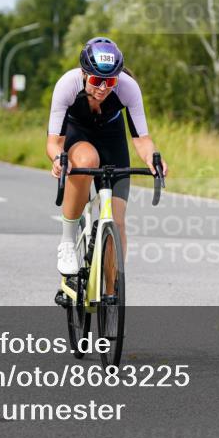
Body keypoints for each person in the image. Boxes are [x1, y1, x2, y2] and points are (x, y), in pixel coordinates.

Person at [46, 37, 168, 276]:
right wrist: (59, 159)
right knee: (86, 160)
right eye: (96, 80)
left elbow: (142, 139)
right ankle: (68, 242)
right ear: (83, 73)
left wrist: (153, 159)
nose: (103, 88)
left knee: (118, 220)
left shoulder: (128, 87)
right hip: (77, 133)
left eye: (110, 81)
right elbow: (54, 142)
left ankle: (111, 293)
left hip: (112, 138)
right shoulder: (67, 85)